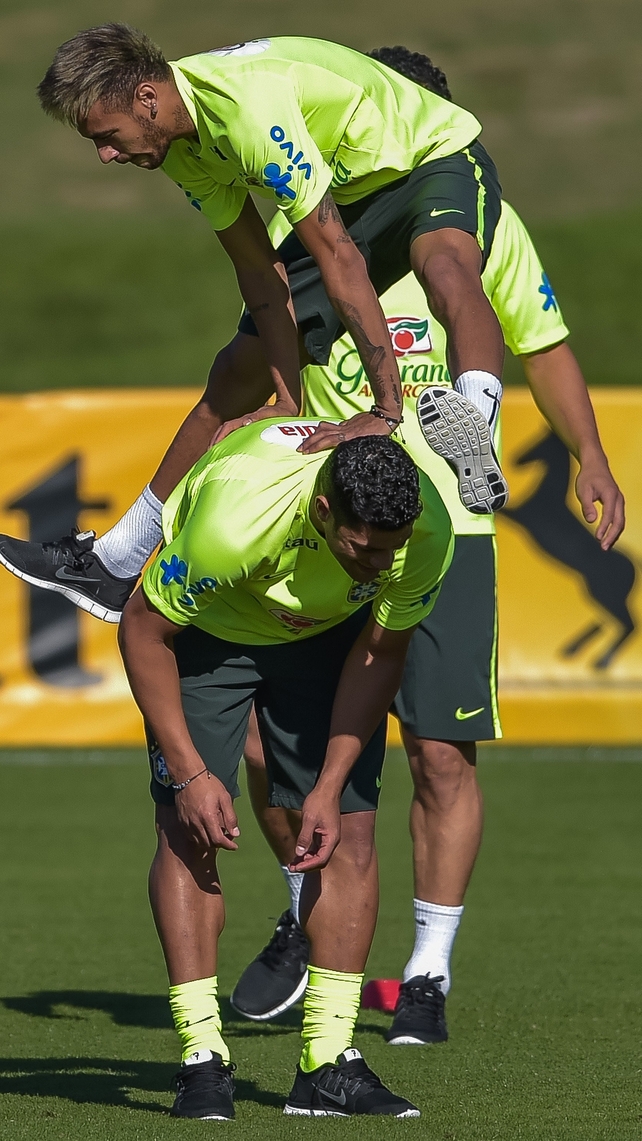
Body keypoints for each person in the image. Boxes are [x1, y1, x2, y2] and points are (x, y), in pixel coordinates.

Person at [228, 46, 626, 1046]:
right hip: (317, 521)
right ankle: (304, 907)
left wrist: (591, 457)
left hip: (447, 515)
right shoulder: (307, 224)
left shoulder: (482, 227)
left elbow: (545, 342)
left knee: (441, 753)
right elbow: (262, 354)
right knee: (261, 742)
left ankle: (429, 973)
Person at [0, 25, 507, 617]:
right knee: (238, 370)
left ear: (145, 97)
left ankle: (473, 420)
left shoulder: (247, 110)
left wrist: (387, 411)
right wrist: (286, 399)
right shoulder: (179, 146)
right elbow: (261, 277)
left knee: (444, 267)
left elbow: (337, 256)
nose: (106, 155)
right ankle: (115, 564)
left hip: (431, 157)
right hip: (353, 194)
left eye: (107, 137)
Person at [118, 424, 454, 1119]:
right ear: (326, 513)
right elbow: (143, 627)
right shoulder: (237, 519)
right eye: (365, 547)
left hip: (328, 634)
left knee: (352, 835)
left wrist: (329, 786)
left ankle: (326, 1061)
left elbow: (382, 653)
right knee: (190, 834)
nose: (383, 562)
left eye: (392, 548)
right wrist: (189, 774)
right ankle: (202, 1056)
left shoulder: (424, 532)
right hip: (209, 628)